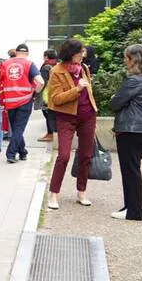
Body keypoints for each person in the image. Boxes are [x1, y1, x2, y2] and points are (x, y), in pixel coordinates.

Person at [46, 39, 95, 209]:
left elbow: (89, 91)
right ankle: (53, 194)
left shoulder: (84, 68)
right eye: (79, 52)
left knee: (86, 155)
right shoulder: (56, 71)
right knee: (64, 155)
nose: (82, 55)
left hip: (88, 116)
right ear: (70, 53)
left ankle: (82, 192)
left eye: (83, 52)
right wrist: (77, 89)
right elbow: (56, 99)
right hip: (66, 117)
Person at [110, 44, 142, 221]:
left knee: (130, 170)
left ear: (133, 60)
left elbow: (115, 104)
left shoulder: (134, 81)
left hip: (130, 129)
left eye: (126, 57)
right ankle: (130, 206)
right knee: (133, 168)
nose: (124, 61)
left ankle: (134, 211)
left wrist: (115, 98)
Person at [0, 44, 45, 165]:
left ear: (16, 52)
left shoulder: (5, 64)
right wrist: (34, 92)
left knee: (16, 128)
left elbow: (0, 83)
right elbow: (41, 81)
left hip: (9, 101)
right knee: (18, 129)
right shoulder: (29, 64)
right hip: (25, 101)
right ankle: (11, 153)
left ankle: (23, 152)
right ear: (27, 53)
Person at [36, 49, 58, 142]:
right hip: (55, 93)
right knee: (52, 114)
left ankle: (50, 134)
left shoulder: (46, 67)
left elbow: (43, 82)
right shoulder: (57, 65)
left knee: (48, 114)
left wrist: (36, 92)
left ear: (46, 57)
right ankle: (53, 133)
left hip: (46, 94)